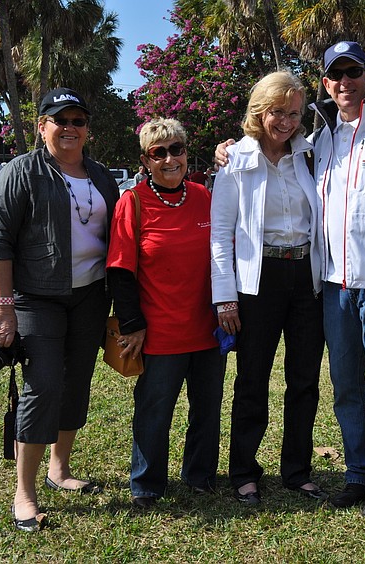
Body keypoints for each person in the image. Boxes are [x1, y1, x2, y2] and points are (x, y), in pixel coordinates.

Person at [216, 42, 365, 518]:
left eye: (354, 72)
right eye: (336, 75)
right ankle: (285, 473)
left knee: (351, 384)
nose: (345, 82)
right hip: (294, 283)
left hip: (345, 284)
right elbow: (222, 235)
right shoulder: (298, 146)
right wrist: (224, 297)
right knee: (313, 382)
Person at [0, 87, 119, 532]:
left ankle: (59, 469)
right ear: (42, 126)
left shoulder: (100, 176)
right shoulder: (20, 172)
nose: (70, 128)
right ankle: (24, 493)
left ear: (87, 130)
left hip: (90, 297)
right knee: (43, 386)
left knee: (77, 381)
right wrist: (3, 308)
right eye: (60, 120)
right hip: (36, 297)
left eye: (78, 121)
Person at [211, 71, 326, 505]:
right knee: (252, 380)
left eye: (295, 113)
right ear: (259, 112)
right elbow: (220, 236)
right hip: (256, 283)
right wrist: (225, 296)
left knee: (304, 380)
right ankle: (244, 471)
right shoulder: (235, 162)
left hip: (305, 280)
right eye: (278, 111)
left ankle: (297, 471)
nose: (287, 121)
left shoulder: (311, 155)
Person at [107, 118, 225, 508]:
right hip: (159, 333)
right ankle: (146, 483)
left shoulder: (204, 196)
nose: (170, 159)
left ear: (187, 153)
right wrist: (133, 324)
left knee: (207, 410)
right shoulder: (134, 201)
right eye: (160, 152)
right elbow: (120, 270)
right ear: (146, 160)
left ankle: (200, 474)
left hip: (207, 329)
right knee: (154, 411)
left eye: (177, 149)